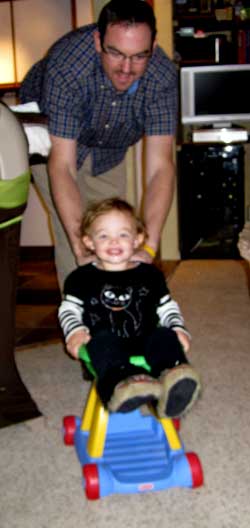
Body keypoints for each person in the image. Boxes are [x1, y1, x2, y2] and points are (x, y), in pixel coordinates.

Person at [19, 0, 178, 289]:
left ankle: (119, 315)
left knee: (115, 229)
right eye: (115, 53)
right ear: (97, 40)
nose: (126, 69)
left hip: (109, 148)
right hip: (51, 138)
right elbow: (63, 165)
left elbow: (160, 168)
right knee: (77, 238)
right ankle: (80, 322)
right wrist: (82, 249)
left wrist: (150, 248)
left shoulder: (162, 77)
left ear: (153, 48)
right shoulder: (68, 64)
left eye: (139, 56)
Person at [58, 198, 201, 417]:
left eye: (123, 234)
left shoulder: (150, 275)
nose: (113, 242)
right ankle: (121, 385)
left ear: (138, 239)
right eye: (104, 235)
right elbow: (69, 310)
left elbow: (167, 307)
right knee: (103, 341)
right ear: (89, 242)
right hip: (104, 345)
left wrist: (178, 328)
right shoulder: (81, 278)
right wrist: (75, 331)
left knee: (164, 335)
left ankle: (174, 379)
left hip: (146, 339)